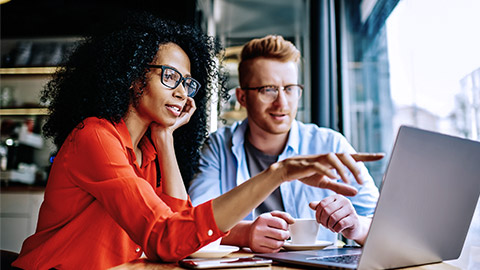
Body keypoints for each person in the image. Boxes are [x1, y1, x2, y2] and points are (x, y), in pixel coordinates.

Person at [11, 14, 382, 270]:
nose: (181, 93)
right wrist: (278, 174)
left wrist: (165, 136)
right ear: (131, 77)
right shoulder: (96, 137)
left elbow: (178, 223)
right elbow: (167, 236)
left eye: (187, 83)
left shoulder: (149, 149)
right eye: (170, 76)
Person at [188, 35, 381, 253]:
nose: (282, 102)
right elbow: (193, 224)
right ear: (242, 98)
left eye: (290, 88)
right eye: (268, 89)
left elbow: (383, 224)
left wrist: (356, 226)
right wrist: (245, 233)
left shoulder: (330, 144)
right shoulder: (218, 146)